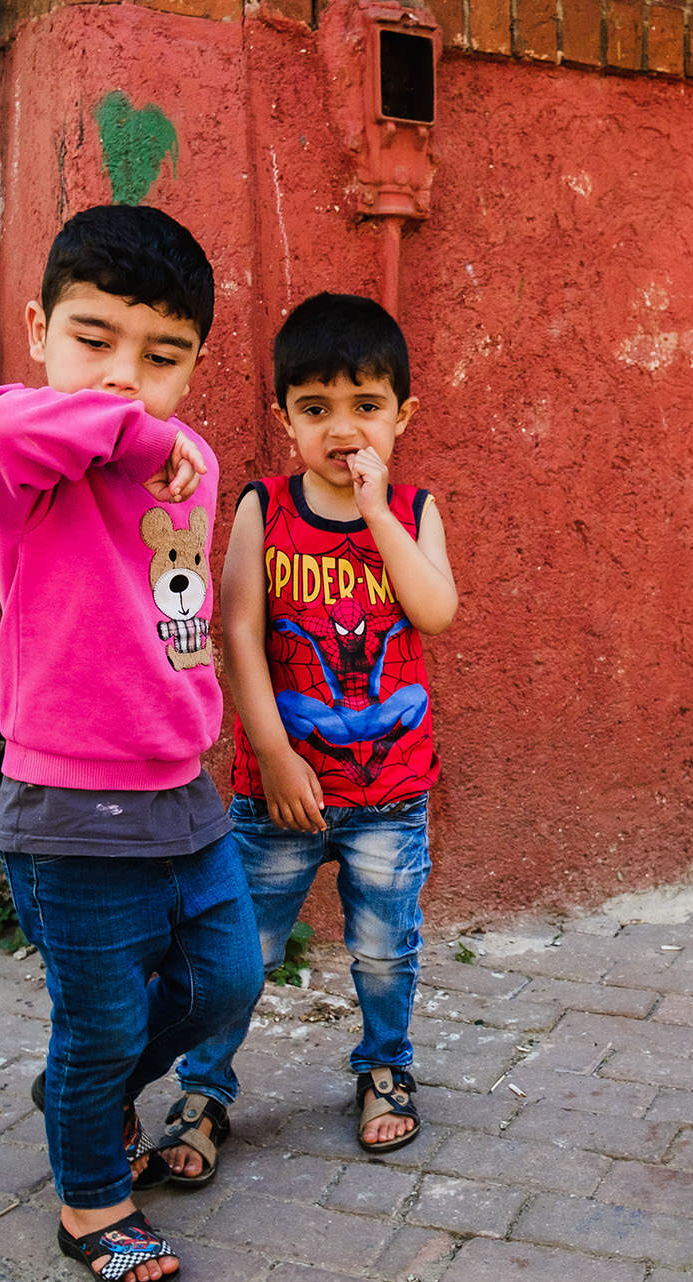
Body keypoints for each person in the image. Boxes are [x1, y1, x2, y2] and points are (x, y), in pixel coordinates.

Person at [0, 204, 262, 1282]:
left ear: (195, 365)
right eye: (94, 339)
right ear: (37, 329)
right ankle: (91, 1197)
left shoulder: (193, 461)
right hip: (70, 809)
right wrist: (130, 430)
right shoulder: (18, 459)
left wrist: (202, 714)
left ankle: (79, 1089)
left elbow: (175, 609)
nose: (125, 376)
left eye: (160, 356)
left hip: (182, 793)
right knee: (103, 1018)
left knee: (228, 979)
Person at [168, 291, 457, 1165]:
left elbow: (435, 610)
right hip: (278, 793)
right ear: (284, 417)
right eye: (316, 409)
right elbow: (240, 631)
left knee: (383, 948)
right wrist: (272, 753)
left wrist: (375, 512)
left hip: (389, 791)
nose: (343, 429)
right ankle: (203, 1090)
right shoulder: (263, 507)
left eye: (366, 408)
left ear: (401, 415)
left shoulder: (412, 511)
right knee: (241, 955)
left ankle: (385, 1067)